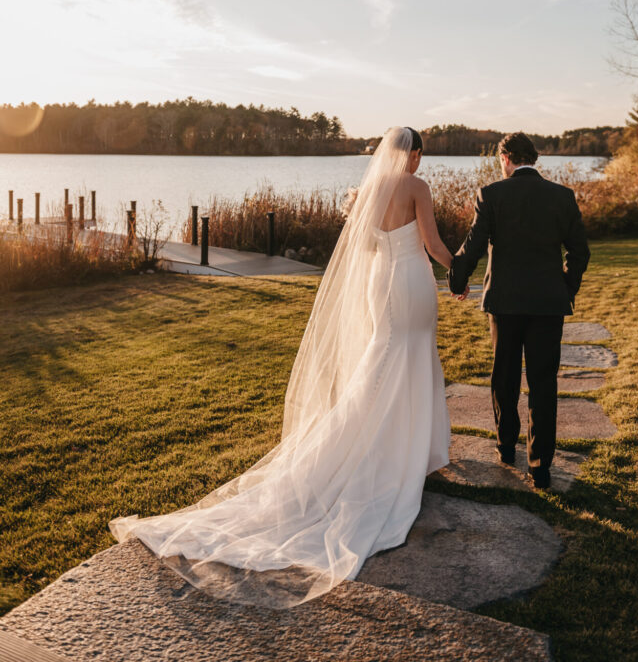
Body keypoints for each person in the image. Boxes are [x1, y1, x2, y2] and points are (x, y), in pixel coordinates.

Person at [109, 126, 454, 607]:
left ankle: (381, 441)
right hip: (411, 280)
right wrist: (459, 266)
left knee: (386, 353)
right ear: (412, 155)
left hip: (382, 283)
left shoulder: (368, 191)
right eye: (418, 155)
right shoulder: (417, 187)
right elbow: (432, 244)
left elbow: (370, 248)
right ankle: (400, 450)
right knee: (410, 354)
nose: (418, 164)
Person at [448, 132, 590, 490]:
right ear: (534, 159)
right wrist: (565, 287)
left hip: (505, 304)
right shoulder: (563, 196)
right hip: (548, 305)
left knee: (505, 376)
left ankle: (506, 446)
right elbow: (580, 251)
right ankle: (541, 466)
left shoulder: (491, 194)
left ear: (505, 158)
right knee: (543, 382)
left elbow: (473, 245)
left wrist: (456, 279)